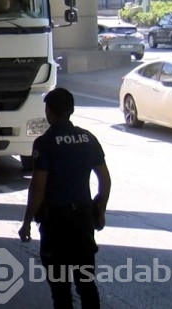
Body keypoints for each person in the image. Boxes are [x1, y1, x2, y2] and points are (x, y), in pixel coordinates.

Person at [18, 87, 112, 309]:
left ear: (49, 111)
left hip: (56, 225)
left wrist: (27, 222)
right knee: (87, 285)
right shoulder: (89, 139)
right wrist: (100, 209)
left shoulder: (45, 143)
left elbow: (38, 187)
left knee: (61, 290)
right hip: (83, 221)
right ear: (71, 110)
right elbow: (105, 180)